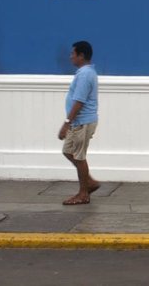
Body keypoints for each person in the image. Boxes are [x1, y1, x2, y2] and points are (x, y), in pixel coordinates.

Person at [58, 41, 100, 205]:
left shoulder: (84, 74)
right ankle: (89, 182)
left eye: (72, 54)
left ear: (81, 56)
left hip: (82, 122)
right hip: (80, 122)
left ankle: (83, 193)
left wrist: (67, 123)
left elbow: (79, 101)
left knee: (78, 156)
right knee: (68, 152)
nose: (70, 57)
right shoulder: (86, 72)